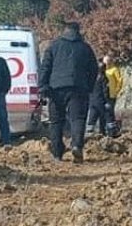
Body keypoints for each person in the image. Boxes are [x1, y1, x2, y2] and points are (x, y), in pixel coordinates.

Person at [38, 21, 98, 163]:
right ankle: (77, 145)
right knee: (78, 119)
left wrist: (43, 86)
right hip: (79, 88)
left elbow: (45, 67)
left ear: (64, 31)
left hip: (56, 88)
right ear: (78, 32)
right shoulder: (85, 48)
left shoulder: (54, 46)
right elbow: (94, 69)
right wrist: (88, 86)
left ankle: (57, 153)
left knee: (56, 121)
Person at [87, 62, 112, 137]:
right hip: (101, 101)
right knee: (104, 116)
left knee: (92, 118)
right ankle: (104, 132)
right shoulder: (103, 78)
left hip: (92, 101)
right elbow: (105, 91)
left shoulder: (91, 78)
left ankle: (89, 133)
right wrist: (107, 101)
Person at [103, 56, 123, 130]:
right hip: (103, 94)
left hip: (111, 94)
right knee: (103, 111)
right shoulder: (103, 70)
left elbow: (119, 80)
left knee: (110, 111)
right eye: (104, 61)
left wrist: (116, 90)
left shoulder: (114, 69)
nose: (106, 63)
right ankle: (104, 127)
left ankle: (113, 128)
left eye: (107, 61)